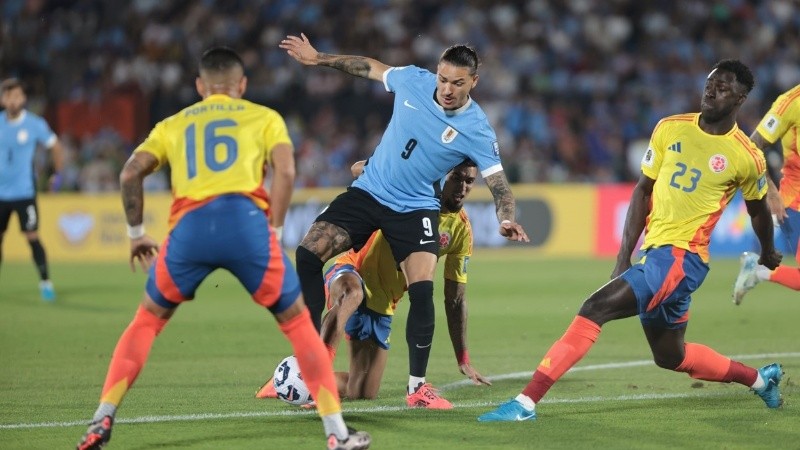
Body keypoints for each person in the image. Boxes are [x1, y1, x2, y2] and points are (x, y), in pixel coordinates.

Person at [76, 47, 370, 450]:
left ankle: (101, 420)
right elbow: (285, 170)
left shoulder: (173, 124)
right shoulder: (264, 118)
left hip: (189, 229)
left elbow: (130, 172)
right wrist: (276, 229)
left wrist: (136, 232)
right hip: (246, 226)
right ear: (242, 85)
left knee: (146, 323)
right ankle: (336, 433)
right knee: (300, 326)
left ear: (200, 86)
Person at [478, 59, 785, 423]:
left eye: (722, 86)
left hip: (682, 258)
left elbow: (758, 211)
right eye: (710, 82)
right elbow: (642, 192)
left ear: (740, 98)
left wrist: (767, 251)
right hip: (657, 255)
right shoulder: (670, 128)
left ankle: (526, 403)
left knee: (594, 309)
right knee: (670, 356)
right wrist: (624, 256)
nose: (711, 89)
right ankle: (760, 381)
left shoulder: (746, 156)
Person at [279, 33, 528, 406]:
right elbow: (368, 66)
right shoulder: (413, 79)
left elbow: (500, 187)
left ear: (473, 82)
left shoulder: (477, 129)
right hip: (370, 191)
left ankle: (417, 387)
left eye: (457, 83)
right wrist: (319, 59)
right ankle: (309, 353)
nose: (446, 89)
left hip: (414, 208)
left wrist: (506, 218)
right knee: (307, 254)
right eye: (443, 79)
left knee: (423, 289)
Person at [257, 159, 490, 407]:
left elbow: (455, 298)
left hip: (383, 303)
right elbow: (357, 167)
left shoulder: (461, 230)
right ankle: (310, 373)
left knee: (363, 392)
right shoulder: (411, 193)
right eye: (456, 177)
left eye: (469, 181)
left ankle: (284, 383)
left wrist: (462, 357)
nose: (462, 186)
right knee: (351, 293)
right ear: (442, 176)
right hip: (352, 269)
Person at [733, 83, 800, 304]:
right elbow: (753, 146)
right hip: (796, 200)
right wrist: (770, 191)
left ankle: (759, 270)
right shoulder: (791, 102)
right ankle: (760, 270)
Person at [0, 78, 63, 301]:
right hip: (0, 195)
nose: (12, 100)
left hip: (24, 193)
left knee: (32, 236)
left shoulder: (34, 124)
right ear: (2, 99)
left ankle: (45, 282)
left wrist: (56, 173)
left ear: (24, 99)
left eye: (17, 96)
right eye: (8, 96)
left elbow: (55, 145)